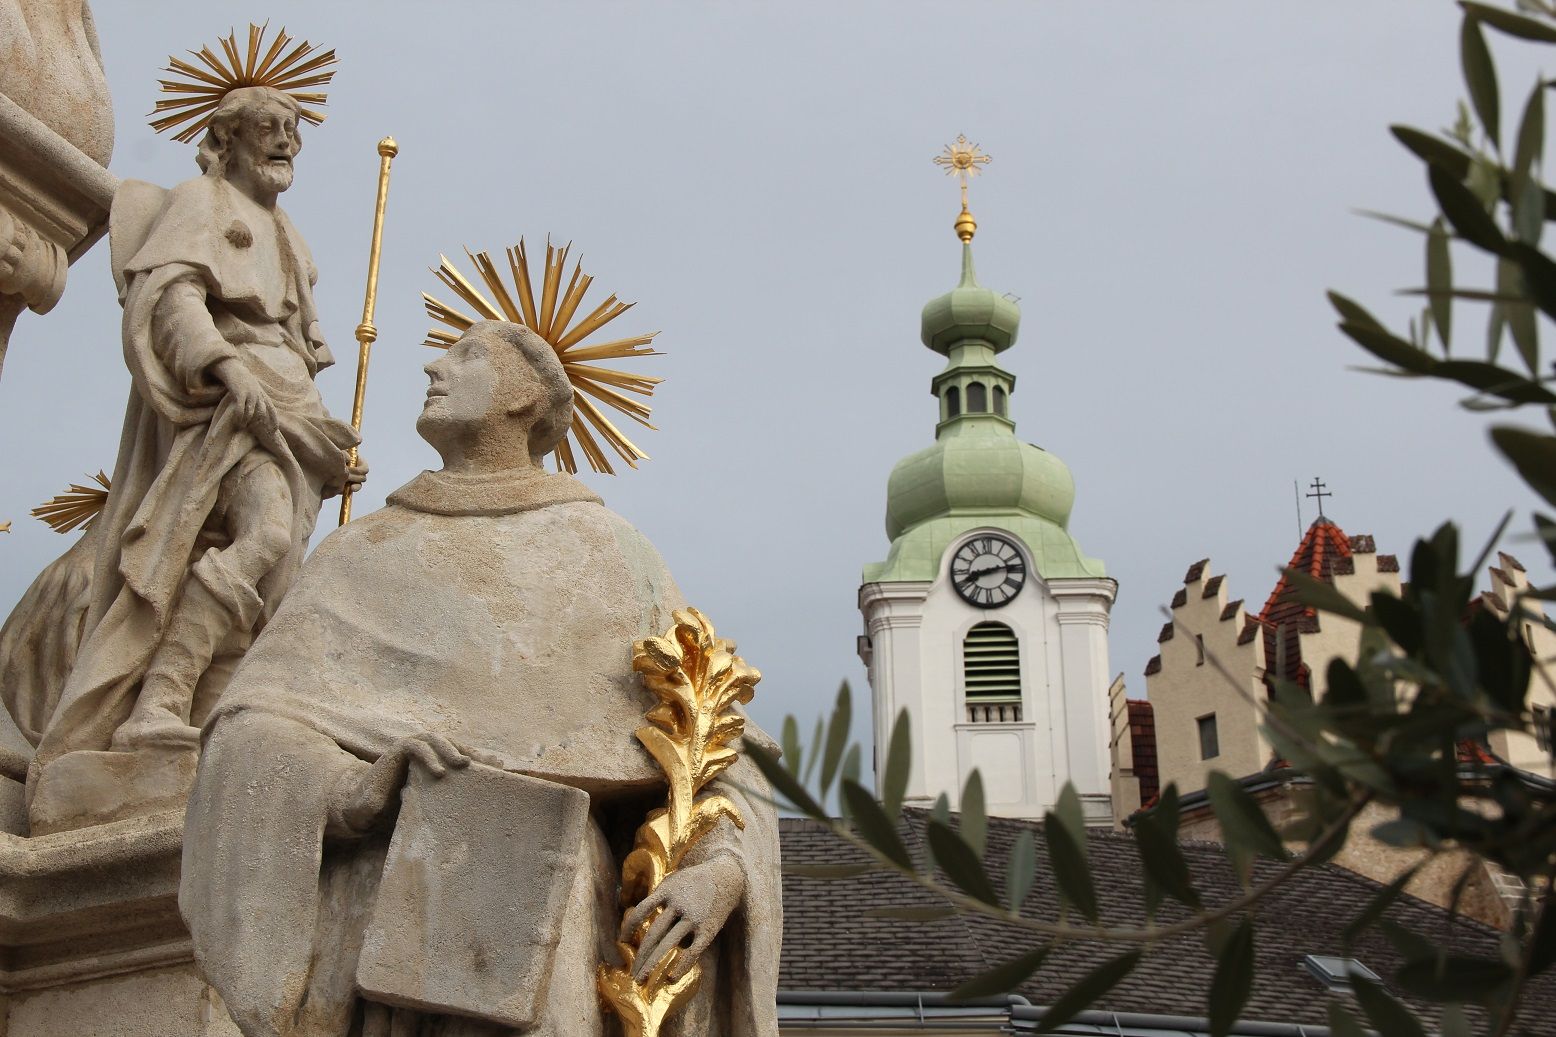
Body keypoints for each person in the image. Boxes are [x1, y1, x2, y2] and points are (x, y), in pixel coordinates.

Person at [180, 321, 781, 1037]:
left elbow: (713, 739)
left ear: (527, 394)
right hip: (387, 903)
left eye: (465, 355)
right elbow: (249, 731)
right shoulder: (359, 551)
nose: (433, 367)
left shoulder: (610, 557)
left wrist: (720, 870)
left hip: (555, 915)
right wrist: (352, 787)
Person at [29, 85, 363, 781]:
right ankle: (160, 698)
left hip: (294, 409)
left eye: (293, 128)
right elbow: (171, 298)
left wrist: (329, 453)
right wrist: (225, 367)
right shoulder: (199, 201)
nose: (286, 140)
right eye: (268, 127)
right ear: (228, 139)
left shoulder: (289, 236)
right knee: (263, 536)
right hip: (233, 405)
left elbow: (296, 342)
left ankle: (209, 714)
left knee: (277, 576)